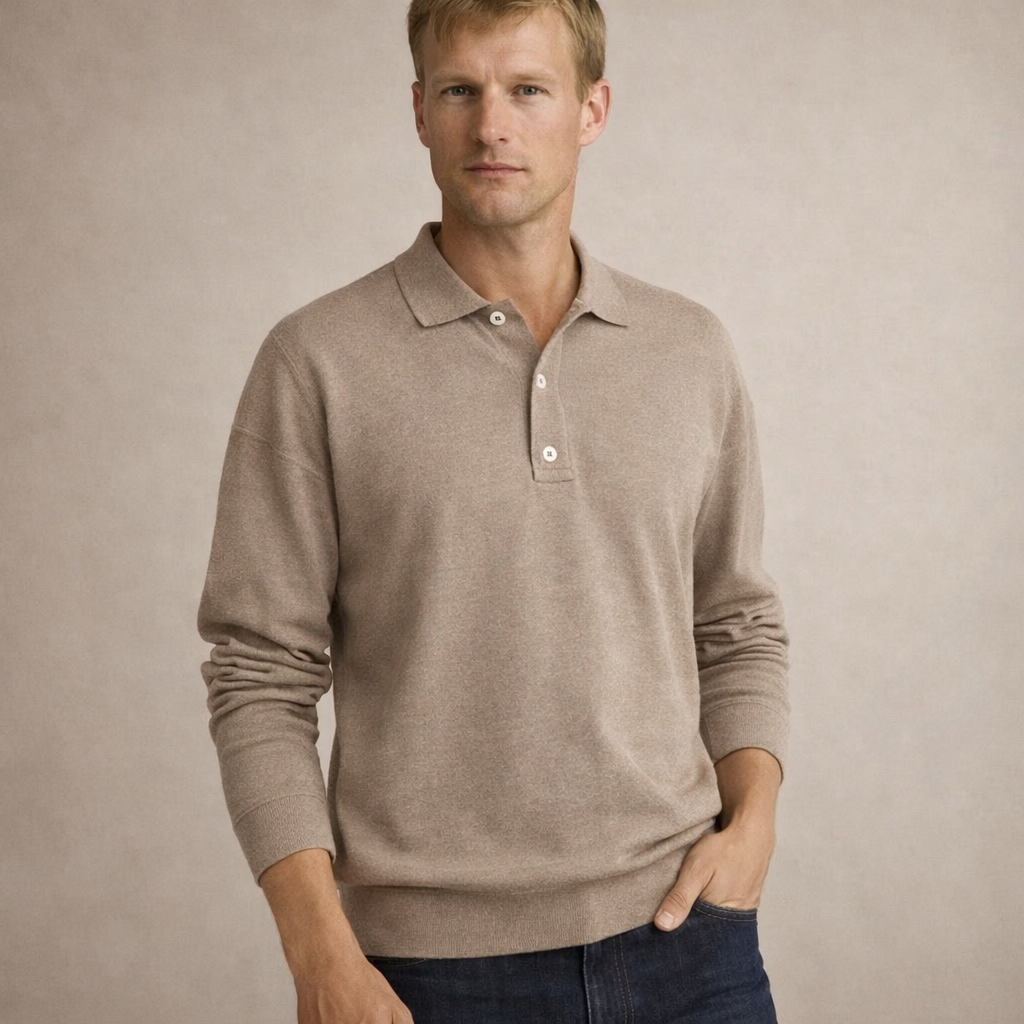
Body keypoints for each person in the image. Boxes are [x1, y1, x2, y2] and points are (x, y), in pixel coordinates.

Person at [197, 0, 791, 1021]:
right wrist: (318, 954)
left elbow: (734, 620)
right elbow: (259, 673)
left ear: (591, 110)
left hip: (689, 944)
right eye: (459, 90)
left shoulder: (688, 349)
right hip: (431, 971)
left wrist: (755, 826)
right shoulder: (317, 361)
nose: (492, 125)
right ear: (419, 112)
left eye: (528, 89)